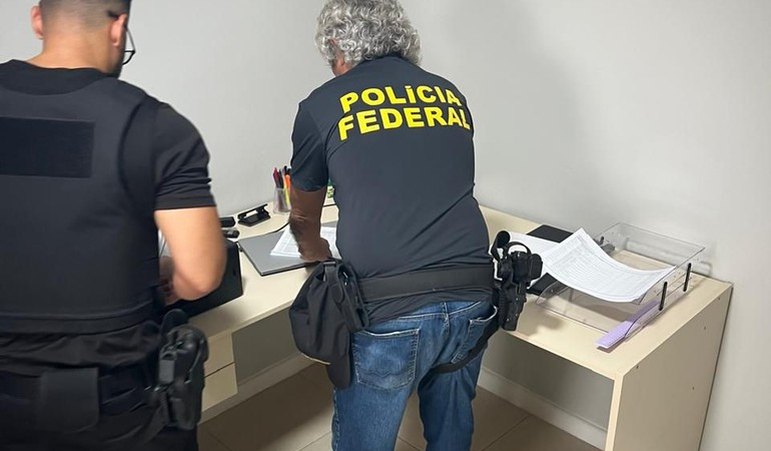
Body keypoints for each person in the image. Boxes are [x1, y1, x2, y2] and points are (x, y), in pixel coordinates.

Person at [0, 1, 226, 450]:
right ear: (118, 28)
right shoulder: (156, 126)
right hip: (116, 409)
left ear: (38, 19)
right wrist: (164, 273)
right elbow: (200, 277)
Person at [289, 1, 496, 450]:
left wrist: (316, 257)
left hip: (388, 308)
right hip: (473, 294)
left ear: (337, 46)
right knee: (451, 434)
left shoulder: (322, 104)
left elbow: (303, 217)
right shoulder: (448, 93)